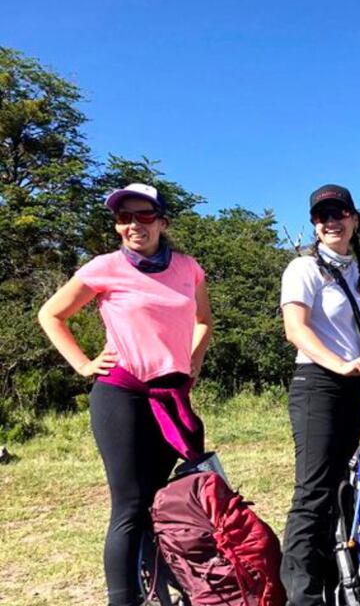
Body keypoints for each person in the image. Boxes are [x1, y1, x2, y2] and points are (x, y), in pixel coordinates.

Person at [37, 183, 213, 606]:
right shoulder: (104, 268)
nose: (134, 224)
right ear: (117, 226)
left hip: (171, 397)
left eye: (145, 215)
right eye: (124, 217)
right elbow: (51, 314)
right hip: (122, 394)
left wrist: (193, 359)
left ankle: (161, 592)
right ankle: (125, 599)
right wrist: (82, 364)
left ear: (163, 221)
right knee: (130, 506)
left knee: (164, 502)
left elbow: (203, 320)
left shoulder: (188, 268)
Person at [279, 183, 360, 606]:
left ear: (355, 219)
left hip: (346, 390)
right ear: (314, 226)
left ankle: (333, 581)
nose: (331, 221)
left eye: (339, 213)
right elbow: (295, 330)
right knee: (313, 491)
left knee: (342, 487)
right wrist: (340, 364)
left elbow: (351, 334)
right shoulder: (303, 270)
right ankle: (301, 596)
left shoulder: (353, 271)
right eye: (322, 216)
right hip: (316, 386)